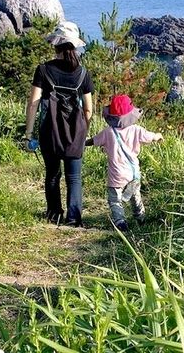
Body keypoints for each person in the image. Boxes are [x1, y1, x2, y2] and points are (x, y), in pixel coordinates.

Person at [24, 22, 94, 226]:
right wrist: (82, 131)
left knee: (53, 174)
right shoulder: (83, 73)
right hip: (75, 134)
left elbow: (33, 104)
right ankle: (74, 219)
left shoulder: (43, 70)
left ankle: (54, 214)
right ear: (75, 46)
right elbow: (88, 109)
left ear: (55, 44)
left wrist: (29, 133)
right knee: (74, 178)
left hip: (50, 131)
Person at [88, 94, 163, 231]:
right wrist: (158, 136)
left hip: (116, 175)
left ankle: (120, 222)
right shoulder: (137, 130)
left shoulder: (108, 132)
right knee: (135, 196)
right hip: (133, 174)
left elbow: (93, 141)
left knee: (115, 199)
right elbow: (151, 137)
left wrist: (81, 143)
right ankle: (140, 217)